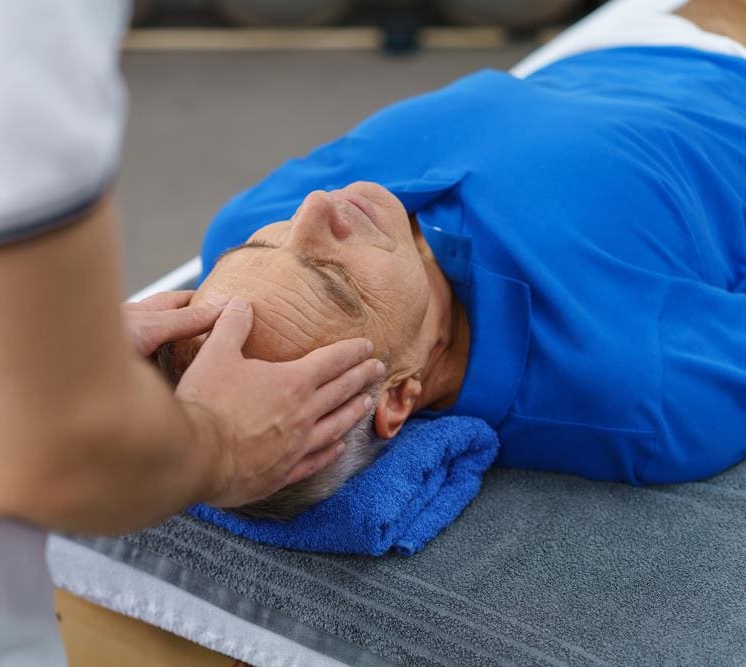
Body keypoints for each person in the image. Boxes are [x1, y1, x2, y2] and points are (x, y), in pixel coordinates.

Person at [0, 1, 384, 664]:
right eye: (266, 249)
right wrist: (223, 445)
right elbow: (45, 453)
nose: (314, 206)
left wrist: (35, 337)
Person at [160, 0, 746, 520]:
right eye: (335, 281)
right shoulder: (639, 393)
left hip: (622, 40)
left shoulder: (244, 227)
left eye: (265, 245)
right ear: (397, 395)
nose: (315, 210)